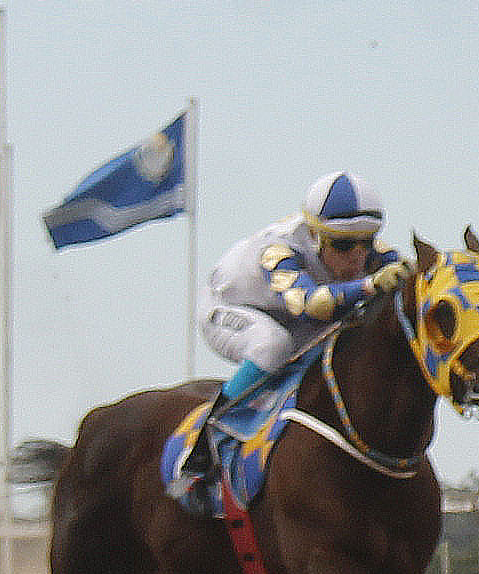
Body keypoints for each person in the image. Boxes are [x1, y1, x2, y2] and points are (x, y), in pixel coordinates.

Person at [172, 171, 413, 497]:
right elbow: (309, 304)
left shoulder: (361, 248)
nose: (358, 256)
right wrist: (370, 284)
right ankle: (204, 442)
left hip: (289, 314)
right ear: (315, 235)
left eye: (366, 243)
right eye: (343, 246)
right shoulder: (279, 249)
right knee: (272, 345)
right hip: (230, 307)